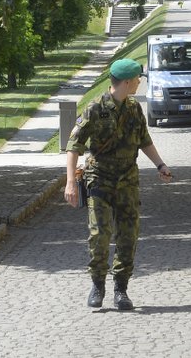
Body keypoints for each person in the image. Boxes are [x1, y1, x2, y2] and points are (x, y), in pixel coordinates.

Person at [65, 58, 173, 310]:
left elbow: (144, 140)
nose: (138, 83)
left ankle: (121, 289)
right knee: (100, 234)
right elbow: (74, 147)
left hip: (127, 179)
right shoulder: (94, 109)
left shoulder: (134, 109)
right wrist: (70, 182)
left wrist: (161, 165)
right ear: (127, 82)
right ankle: (98, 284)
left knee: (128, 234)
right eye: (137, 79)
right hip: (100, 178)